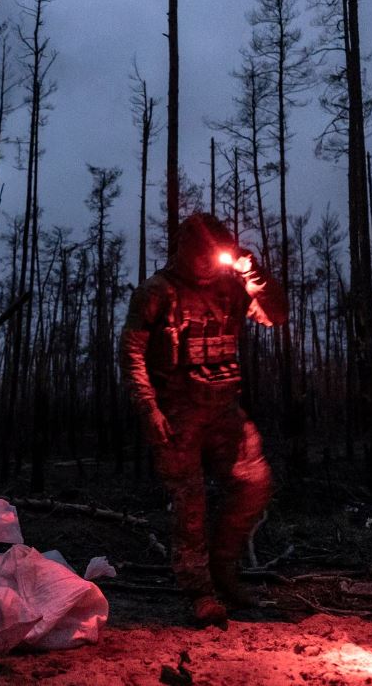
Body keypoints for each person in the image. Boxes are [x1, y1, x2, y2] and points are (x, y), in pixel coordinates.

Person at [120, 213, 288, 627]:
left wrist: (256, 274)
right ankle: (200, 592)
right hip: (177, 412)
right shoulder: (157, 292)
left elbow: (276, 315)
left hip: (224, 407)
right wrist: (148, 407)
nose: (207, 265)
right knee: (189, 503)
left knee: (255, 482)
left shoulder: (233, 285)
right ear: (183, 251)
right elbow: (132, 352)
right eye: (200, 255)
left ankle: (224, 569)